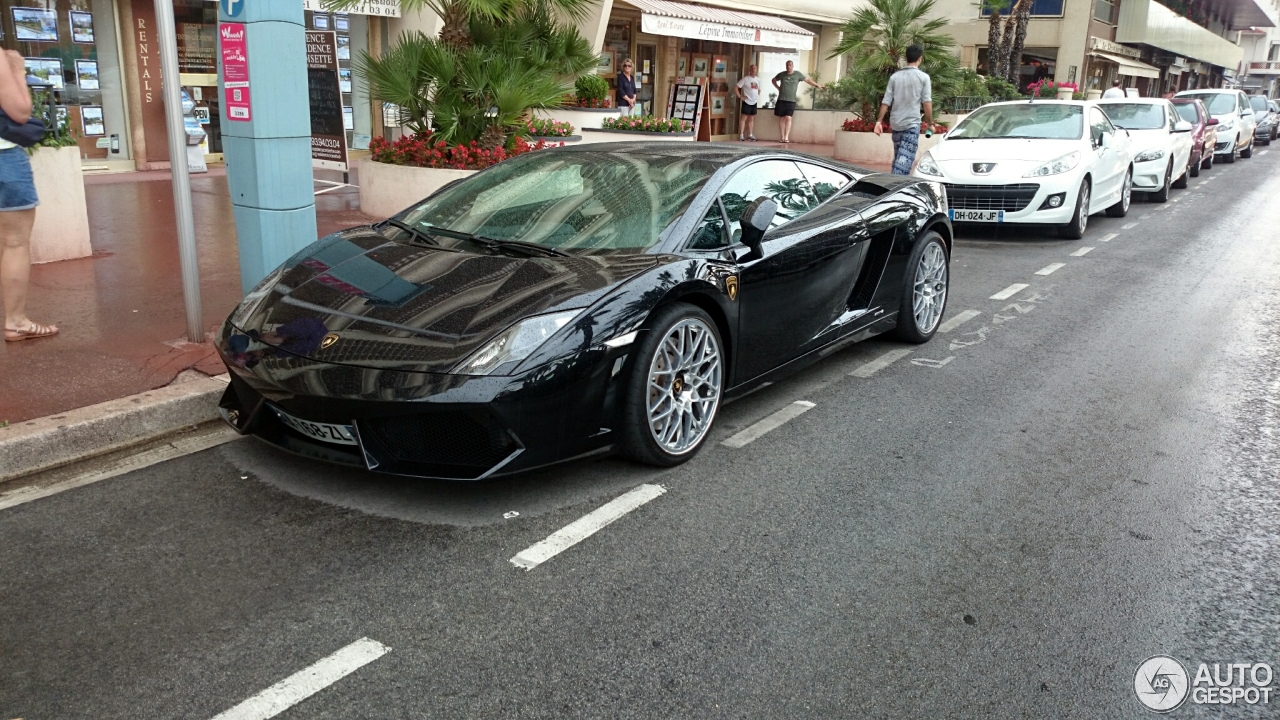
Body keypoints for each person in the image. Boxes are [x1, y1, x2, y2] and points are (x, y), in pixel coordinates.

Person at [0, 50, 55, 342]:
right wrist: (17, 71)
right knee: (14, 243)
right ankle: (16, 321)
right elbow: (20, 111)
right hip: (3, 157)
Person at [874, 44, 933, 176]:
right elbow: (927, 103)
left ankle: (894, 184)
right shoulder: (924, 77)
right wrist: (930, 123)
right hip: (911, 124)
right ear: (920, 59)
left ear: (906, 58)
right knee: (904, 162)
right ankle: (896, 186)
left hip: (896, 124)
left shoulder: (895, 77)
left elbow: (886, 101)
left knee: (899, 159)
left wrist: (879, 122)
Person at [771, 60, 824, 143]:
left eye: (790, 65)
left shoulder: (797, 74)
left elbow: (807, 80)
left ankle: (786, 137)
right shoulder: (782, 74)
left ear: (793, 66)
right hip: (781, 99)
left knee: (788, 118)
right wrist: (778, 87)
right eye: (787, 65)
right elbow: (773, 80)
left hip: (791, 100)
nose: (788, 67)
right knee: (781, 118)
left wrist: (817, 85)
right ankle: (782, 137)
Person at [735, 64, 761, 141]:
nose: (753, 70)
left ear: (756, 70)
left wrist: (756, 96)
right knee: (744, 118)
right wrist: (740, 96)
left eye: (755, 68)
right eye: (752, 68)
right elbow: (736, 87)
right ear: (749, 70)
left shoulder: (758, 80)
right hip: (747, 101)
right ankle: (741, 134)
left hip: (754, 101)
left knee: (751, 118)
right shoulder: (745, 79)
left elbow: (759, 89)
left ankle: (750, 134)